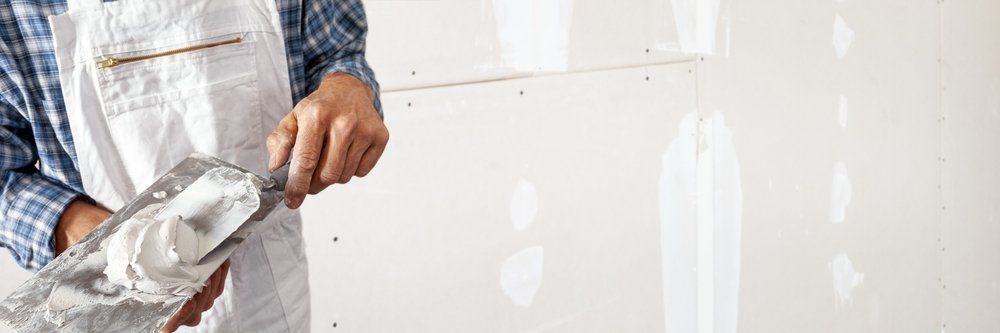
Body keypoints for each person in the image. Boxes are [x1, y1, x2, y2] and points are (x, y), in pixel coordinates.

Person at [0, 0, 388, 332]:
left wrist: (347, 86)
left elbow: (337, 54)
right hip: (107, 298)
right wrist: (108, 245)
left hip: (267, 297)